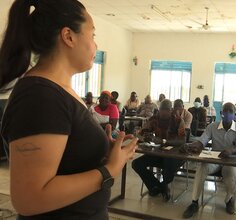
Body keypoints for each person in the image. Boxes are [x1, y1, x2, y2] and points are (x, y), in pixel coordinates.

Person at [0, 0, 138, 219]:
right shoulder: (40, 96)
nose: (95, 45)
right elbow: (29, 198)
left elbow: (68, 157)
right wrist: (109, 170)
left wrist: (102, 151)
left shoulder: (60, 91)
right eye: (92, 35)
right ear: (68, 36)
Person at [182, 102, 236, 218]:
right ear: (221, 113)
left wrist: (231, 150)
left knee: (229, 172)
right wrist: (191, 145)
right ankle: (194, 202)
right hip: (215, 160)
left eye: (230, 112)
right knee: (202, 166)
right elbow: (202, 141)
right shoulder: (212, 126)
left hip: (232, 160)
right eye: (225, 111)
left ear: (235, 114)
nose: (227, 114)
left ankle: (229, 199)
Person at [132, 99, 186, 202]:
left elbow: (182, 140)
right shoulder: (154, 119)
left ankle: (161, 186)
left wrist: (164, 141)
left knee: (168, 162)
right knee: (136, 163)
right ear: (159, 109)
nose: (163, 112)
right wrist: (145, 137)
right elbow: (141, 134)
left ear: (172, 110)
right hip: (159, 153)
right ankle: (157, 186)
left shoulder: (178, 120)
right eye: (162, 109)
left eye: (167, 110)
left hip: (175, 155)